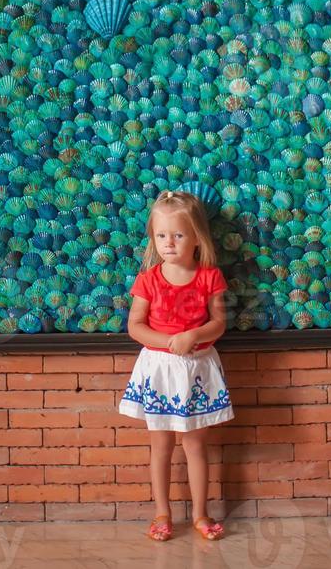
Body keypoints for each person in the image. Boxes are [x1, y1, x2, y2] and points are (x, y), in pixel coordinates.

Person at [118, 188, 234, 542]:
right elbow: (135, 326)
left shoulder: (208, 276)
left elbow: (219, 322)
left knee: (196, 445)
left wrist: (193, 335)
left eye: (178, 235)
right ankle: (162, 512)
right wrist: (168, 342)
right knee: (161, 446)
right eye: (161, 235)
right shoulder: (148, 279)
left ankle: (200, 513)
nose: (169, 242)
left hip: (197, 367)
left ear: (196, 237)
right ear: (153, 238)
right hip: (160, 369)